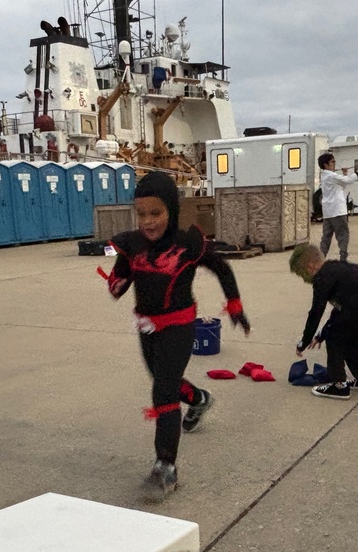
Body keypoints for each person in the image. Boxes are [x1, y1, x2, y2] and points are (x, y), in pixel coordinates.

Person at [104, 171, 251, 499]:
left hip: (180, 326)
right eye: (141, 213)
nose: (147, 221)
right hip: (147, 326)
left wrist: (236, 306)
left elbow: (222, 269)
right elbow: (122, 277)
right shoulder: (133, 243)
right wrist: (116, 282)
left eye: (155, 213)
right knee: (160, 378)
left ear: (171, 209)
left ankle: (165, 467)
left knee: (163, 393)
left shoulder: (187, 244)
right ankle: (200, 399)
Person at [288, 245, 358, 400]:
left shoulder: (323, 277)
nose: (303, 278)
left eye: (301, 273)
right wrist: (321, 335)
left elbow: (316, 312)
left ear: (310, 266)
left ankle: (338, 385)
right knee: (346, 335)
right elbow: (340, 311)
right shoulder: (336, 270)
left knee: (336, 336)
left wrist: (304, 342)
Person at [317, 153, 358, 261]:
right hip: (338, 210)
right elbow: (349, 181)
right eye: (332, 162)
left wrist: (345, 174)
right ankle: (343, 258)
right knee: (343, 235)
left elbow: (342, 185)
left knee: (326, 237)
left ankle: (320, 258)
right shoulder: (331, 175)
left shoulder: (325, 175)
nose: (334, 164)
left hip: (328, 212)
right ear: (325, 165)